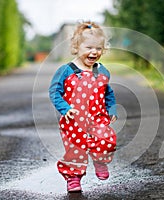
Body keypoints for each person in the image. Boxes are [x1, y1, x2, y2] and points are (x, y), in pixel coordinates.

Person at [49, 21, 117, 192]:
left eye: (98, 48)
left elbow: (108, 92)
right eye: (89, 48)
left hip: (98, 117)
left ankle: (100, 161)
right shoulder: (66, 70)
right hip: (74, 121)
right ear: (76, 47)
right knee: (76, 150)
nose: (94, 52)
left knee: (105, 139)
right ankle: (73, 178)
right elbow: (54, 92)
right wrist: (65, 109)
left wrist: (112, 109)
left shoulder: (102, 71)